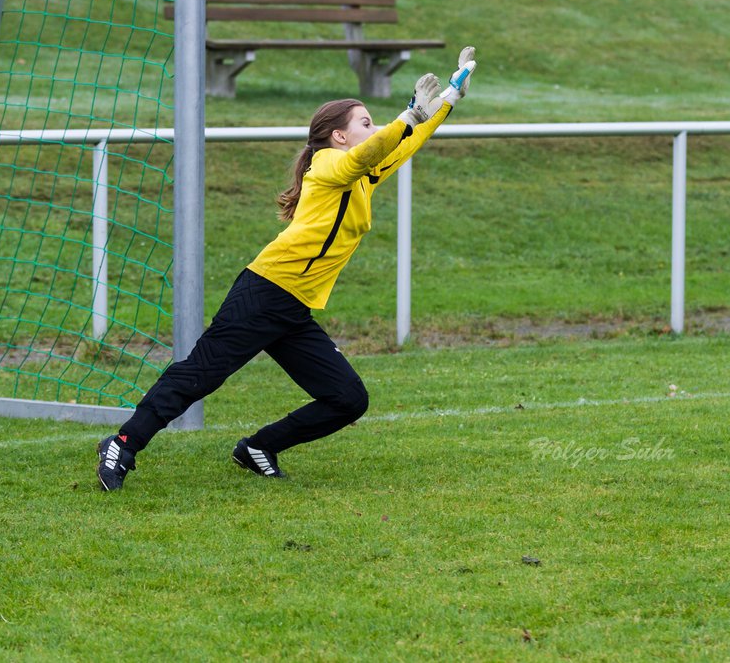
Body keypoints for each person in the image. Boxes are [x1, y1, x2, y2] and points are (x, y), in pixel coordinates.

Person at [96, 47, 476, 490]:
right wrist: (409, 113)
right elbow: (372, 150)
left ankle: (258, 448)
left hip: (293, 309)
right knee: (200, 374)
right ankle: (122, 443)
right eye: (365, 122)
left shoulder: (362, 173)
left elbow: (403, 143)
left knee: (348, 398)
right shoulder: (330, 163)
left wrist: (449, 97)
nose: (374, 129)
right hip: (265, 291)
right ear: (338, 137)